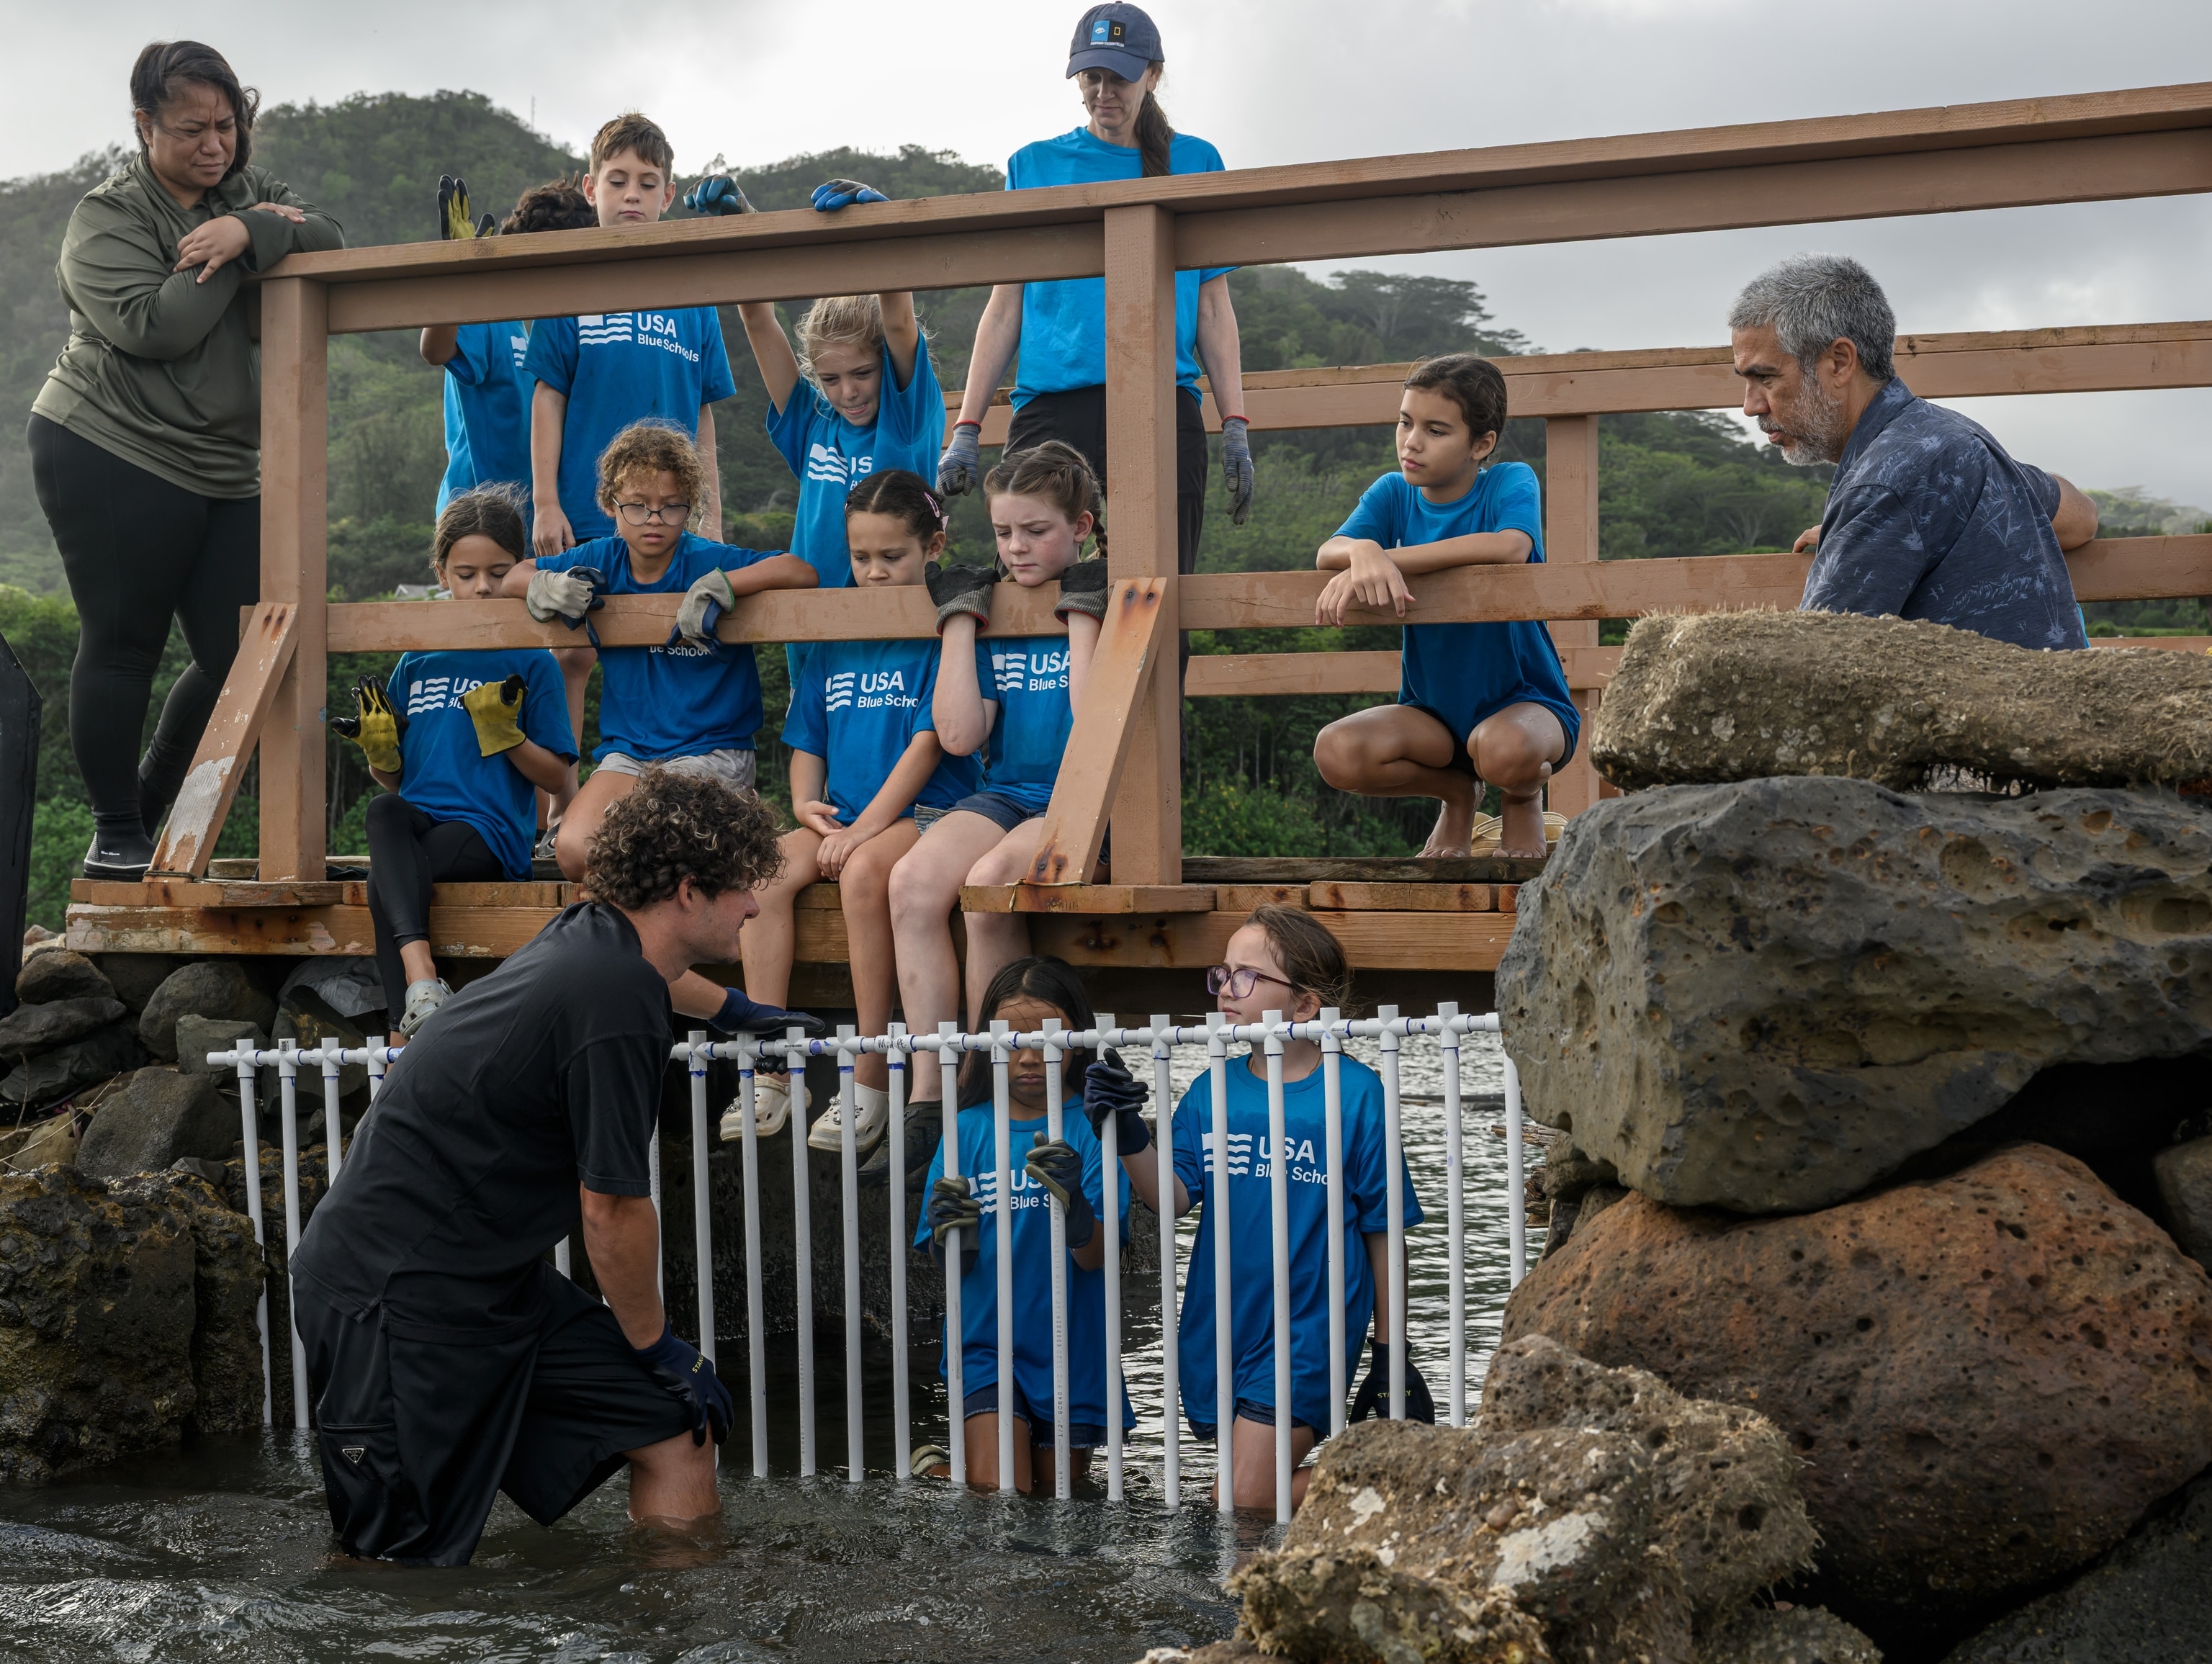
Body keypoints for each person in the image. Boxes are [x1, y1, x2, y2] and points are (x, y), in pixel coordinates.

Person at [290, 768, 775, 1565]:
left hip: (487, 1282)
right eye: (742, 891)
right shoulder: (614, 997)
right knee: (398, 1568)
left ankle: (674, 1632)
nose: (755, 907)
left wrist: (733, 1010)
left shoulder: (593, 937)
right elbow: (610, 1212)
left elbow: (658, 978)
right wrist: (659, 1347)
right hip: (391, 1296)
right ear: (688, 892)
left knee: (673, 1425)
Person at [29, 40, 342, 878]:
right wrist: (249, 247)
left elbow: (331, 239)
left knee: (245, 648)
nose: (216, 146)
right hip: (108, 443)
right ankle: (116, 832)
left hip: (221, 461)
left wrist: (243, 226)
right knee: (125, 642)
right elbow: (157, 326)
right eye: (193, 129)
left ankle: (150, 804)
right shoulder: (107, 216)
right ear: (144, 126)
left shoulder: (247, 192)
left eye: (228, 125)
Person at [1107, 907, 1429, 1514]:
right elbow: (1167, 1198)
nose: (1227, 987)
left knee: (1245, 1500)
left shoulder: (1356, 1093)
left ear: (1306, 1005)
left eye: (1247, 976)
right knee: (1233, 1509)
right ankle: (1383, 1473)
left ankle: (1407, 1470)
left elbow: (1384, 1233)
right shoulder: (1212, 1089)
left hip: (1310, 1330)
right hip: (1224, 1326)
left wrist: (1391, 1355)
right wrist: (1127, 1130)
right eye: (1223, 972)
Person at [935, 2, 1253, 580]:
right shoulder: (1033, 166)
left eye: (1120, 77)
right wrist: (966, 429)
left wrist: (1234, 422)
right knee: (1025, 580)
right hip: (1052, 402)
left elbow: (1211, 306)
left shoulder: (1196, 161)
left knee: (1159, 584)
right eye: (1092, 77)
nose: (1104, 92)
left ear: (1152, 74)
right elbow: (1006, 308)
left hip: (1160, 398)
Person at [734, 472, 981, 1156]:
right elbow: (807, 741)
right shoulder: (837, 631)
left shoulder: (940, 627)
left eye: (891, 558)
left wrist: (864, 828)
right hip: (842, 818)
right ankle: (775, 1062)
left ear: (932, 547)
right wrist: (807, 807)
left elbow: (929, 747)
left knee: (864, 872)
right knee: (759, 877)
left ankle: (871, 1064)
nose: (873, 573)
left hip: (926, 811)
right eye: (861, 557)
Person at [1728, 253, 2100, 651]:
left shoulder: (1883, 488)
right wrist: (1877, 534)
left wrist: (1874, 525)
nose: (1751, 406)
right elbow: (2083, 517)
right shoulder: (1954, 438)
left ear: (1839, 362)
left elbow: (1816, 667)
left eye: (1765, 377)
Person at [887, 442, 1105, 1106]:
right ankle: (931, 1084)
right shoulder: (1002, 610)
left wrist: (1082, 616)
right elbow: (958, 734)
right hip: (1007, 795)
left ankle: (991, 1076)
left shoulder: (1100, 599)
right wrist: (960, 618)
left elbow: (1097, 722)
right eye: (1004, 532)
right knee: (912, 881)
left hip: (1080, 801)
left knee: (986, 885)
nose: (1016, 548)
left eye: (1036, 531)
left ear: (1081, 528)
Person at [1310, 355, 1578, 860]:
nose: (1411, 441)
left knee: (1504, 750)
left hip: (1525, 708)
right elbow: (1329, 552)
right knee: (1336, 751)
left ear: (1482, 444)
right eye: (1405, 422)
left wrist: (1386, 556)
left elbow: (1510, 547)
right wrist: (1363, 550)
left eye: (1435, 430)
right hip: (1433, 716)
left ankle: (1522, 798)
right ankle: (1458, 795)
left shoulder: (1508, 482)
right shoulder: (1392, 493)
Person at [333, 487, 576, 1037]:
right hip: (417, 821)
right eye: (466, 573)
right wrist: (381, 752)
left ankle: (404, 1026)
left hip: (485, 833)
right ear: (441, 573)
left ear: (520, 569)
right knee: (383, 811)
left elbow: (556, 775)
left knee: (386, 883)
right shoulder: (416, 654)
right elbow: (395, 779)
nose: (483, 585)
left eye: (498, 571)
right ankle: (422, 983)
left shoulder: (531, 656)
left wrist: (505, 735)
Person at [419, 176, 601, 835]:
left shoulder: (583, 319)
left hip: (550, 511)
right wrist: (455, 276)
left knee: (569, 652)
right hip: (477, 519)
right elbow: (436, 348)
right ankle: (470, 809)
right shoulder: (492, 315)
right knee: (483, 664)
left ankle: (560, 806)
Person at [911, 956, 1133, 1492]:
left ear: (1077, 1040)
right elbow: (949, 1262)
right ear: (987, 1042)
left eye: (1049, 1039)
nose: (1030, 1056)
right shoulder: (966, 1129)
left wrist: (1077, 1204)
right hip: (986, 1337)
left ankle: (941, 1470)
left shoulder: (1093, 1128)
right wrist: (950, 1236)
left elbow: (1097, 1255)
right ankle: (965, 1469)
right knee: (1002, 1492)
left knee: (1061, 1495)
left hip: (1072, 1343)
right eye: (1012, 1039)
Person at [687, 171, 945, 611]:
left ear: (885, 364)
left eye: (862, 373)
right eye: (830, 380)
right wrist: (747, 230)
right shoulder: (812, 422)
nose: (847, 392)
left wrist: (885, 234)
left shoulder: (907, 420)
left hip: (891, 625)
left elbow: (899, 322)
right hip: (810, 632)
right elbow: (757, 320)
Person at [526, 113, 734, 559]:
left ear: (668, 195)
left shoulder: (695, 296)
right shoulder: (569, 285)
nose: (632, 195)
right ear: (590, 188)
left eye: (648, 183)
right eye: (617, 181)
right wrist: (546, 505)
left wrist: (711, 518)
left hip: (671, 520)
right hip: (585, 522)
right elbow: (548, 396)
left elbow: (702, 415)